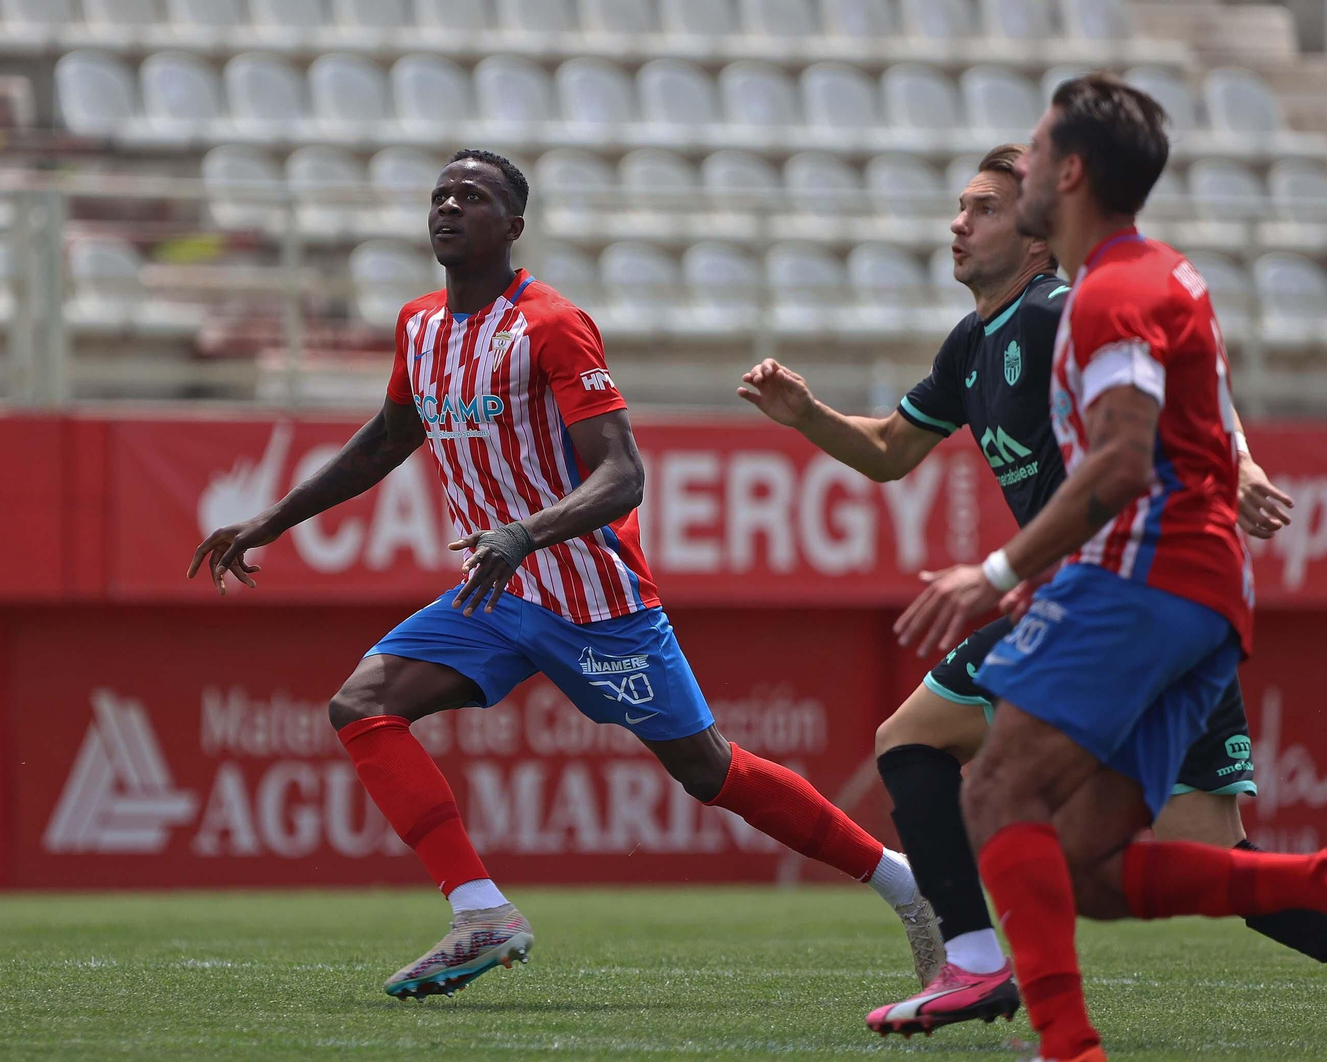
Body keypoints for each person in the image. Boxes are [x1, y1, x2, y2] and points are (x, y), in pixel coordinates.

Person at [188, 148, 944, 1001]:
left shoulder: (551, 323)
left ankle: (905, 883)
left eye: (469, 197)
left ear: (511, 227)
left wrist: (523, 532)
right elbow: (388, 440)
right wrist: (272, 519)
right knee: (363, 703)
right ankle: (480, 912)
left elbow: (623, 473)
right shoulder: (420, 326)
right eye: (439, 195)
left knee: (708, 771)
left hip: (592, 597)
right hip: (496, 591)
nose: (447, 207)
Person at [738, 143, 1323, 1039]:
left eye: (983, 208)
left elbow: (1176, 371)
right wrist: (809, 415)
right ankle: (1009, 989)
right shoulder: (974, 343)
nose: (957, 224)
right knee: (1218, 870)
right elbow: (894, 450)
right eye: (959, 207)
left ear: (1038, 236)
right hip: (1117, 610)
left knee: (921, 746)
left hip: (1108, 598)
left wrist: (1235, 461)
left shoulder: (1062, 311)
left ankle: (981, 971)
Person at [889, 74, 1327, 1062]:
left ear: (1071, 172)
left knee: (995, 789)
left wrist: (993, 570)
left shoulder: (1109, 295)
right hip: (1199, 587)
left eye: (1034, 154)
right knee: (1091, 869)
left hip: (1141, 576)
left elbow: (1122, 458)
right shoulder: (1161, 274)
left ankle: (1066, 1047)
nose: (1022, 165)